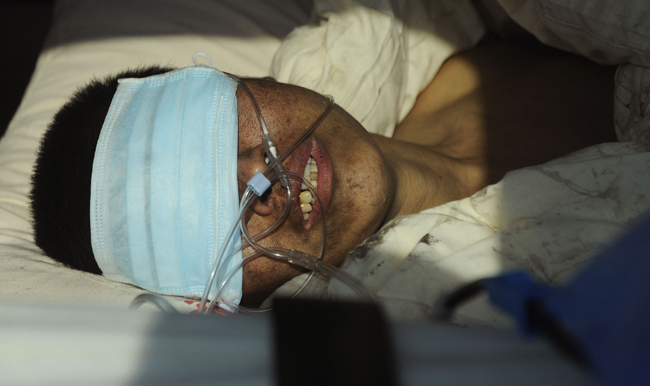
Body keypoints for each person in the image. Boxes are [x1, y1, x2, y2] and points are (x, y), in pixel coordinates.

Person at [30, 38, 616, 306]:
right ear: (225, 296)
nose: (257, 172)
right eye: (212, 214)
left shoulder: (462, 41)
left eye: (220, 130)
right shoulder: (482, 316)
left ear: (246, 81)